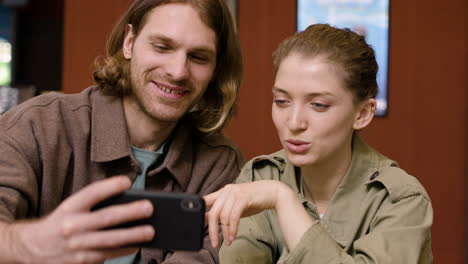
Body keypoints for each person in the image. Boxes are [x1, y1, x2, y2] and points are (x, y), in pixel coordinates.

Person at [0, 0, 243, 263]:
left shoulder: (220, 165)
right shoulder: (37, 125)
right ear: (129, 42)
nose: (177, 71)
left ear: (215, 69)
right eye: (162, 47)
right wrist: (28, 243)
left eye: (198, 57)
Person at [204, 24, 433, 263]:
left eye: (319, 105)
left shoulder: (402, 200)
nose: (294, 122)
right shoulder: (259, 176)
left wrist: (282, 199)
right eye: (282, 101)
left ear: (363, 113)